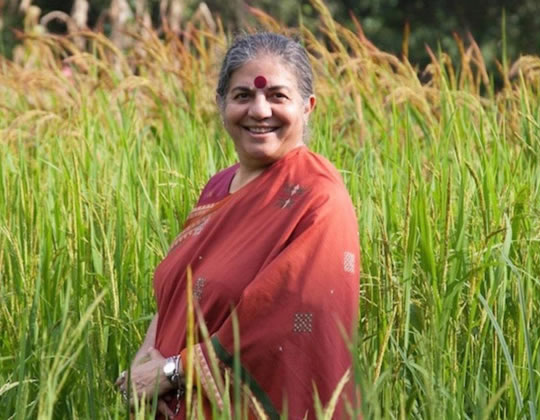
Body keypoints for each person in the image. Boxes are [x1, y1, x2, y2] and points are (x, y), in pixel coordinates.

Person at [116, 32, 360, 419]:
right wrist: (145, 364)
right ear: (222, 105)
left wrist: (171, 372)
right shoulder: (218, 186)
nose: (260, 110)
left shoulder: (316, 196)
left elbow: (285, 325)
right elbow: (179, 290)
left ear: (308, 107)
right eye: (243, 95)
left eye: (277, 96)